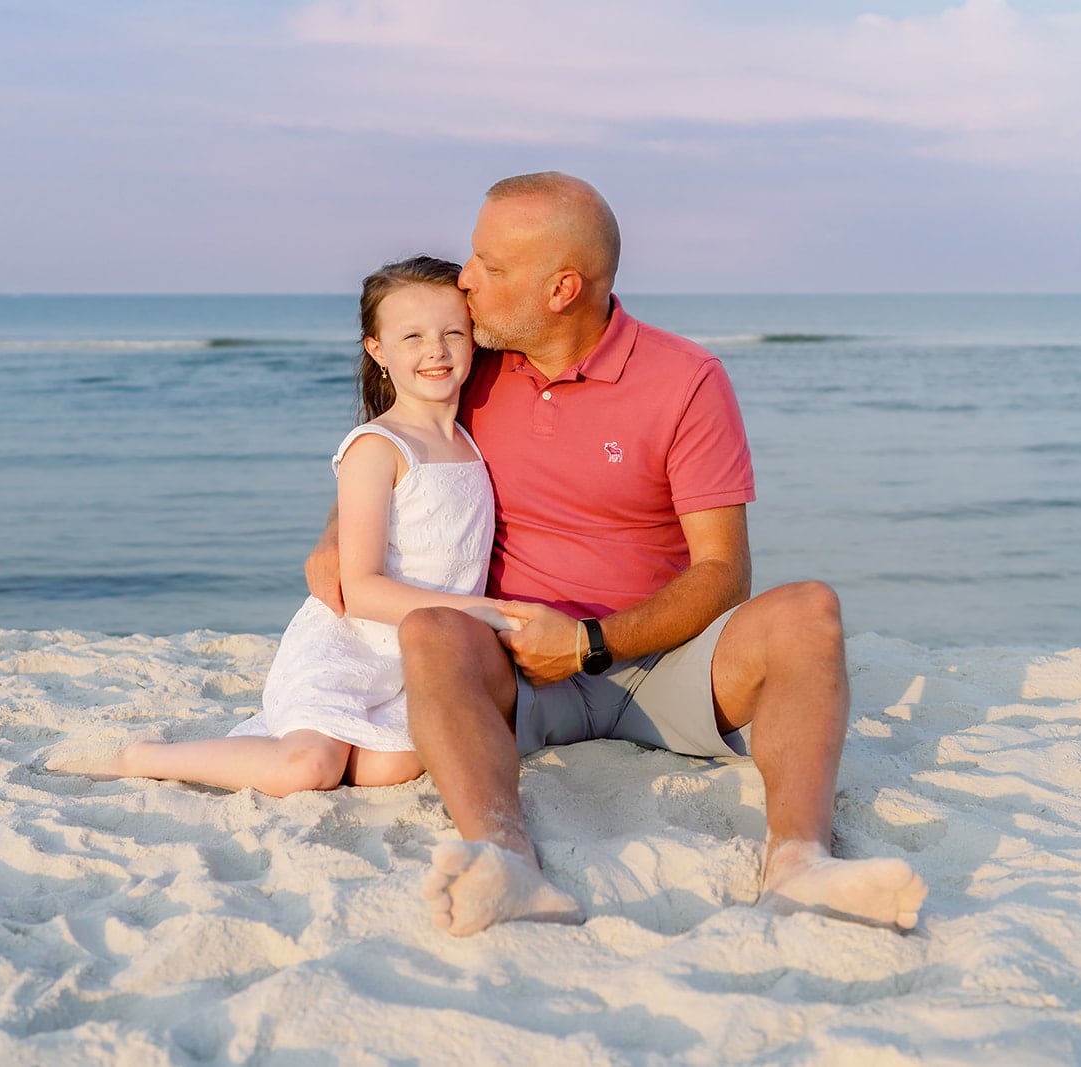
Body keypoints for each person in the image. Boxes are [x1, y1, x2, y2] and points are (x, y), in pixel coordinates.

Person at [307, 173, 928, 936]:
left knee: (810, 610)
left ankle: (800, 862)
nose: (466, 280)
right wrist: (336, 529)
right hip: (519, 668)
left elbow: (724, 572)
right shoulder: (474, 362)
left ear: (561, 288)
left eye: (490, 266)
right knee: (432, 630)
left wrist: (589, 641)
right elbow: (392, 441)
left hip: (665, 663)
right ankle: (507, 863)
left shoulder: (686, 380)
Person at [50, 255, 513, 795]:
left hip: (417, 659)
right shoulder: (378, 447)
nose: (436, 350)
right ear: (378, 351)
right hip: (352, 649)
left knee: (388, 769)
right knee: (308, 770)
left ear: (473, 339)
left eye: (452, 332)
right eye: (411, 336)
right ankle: (143, 756)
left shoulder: (471, 438)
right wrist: (486, 613)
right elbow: (360, 589)